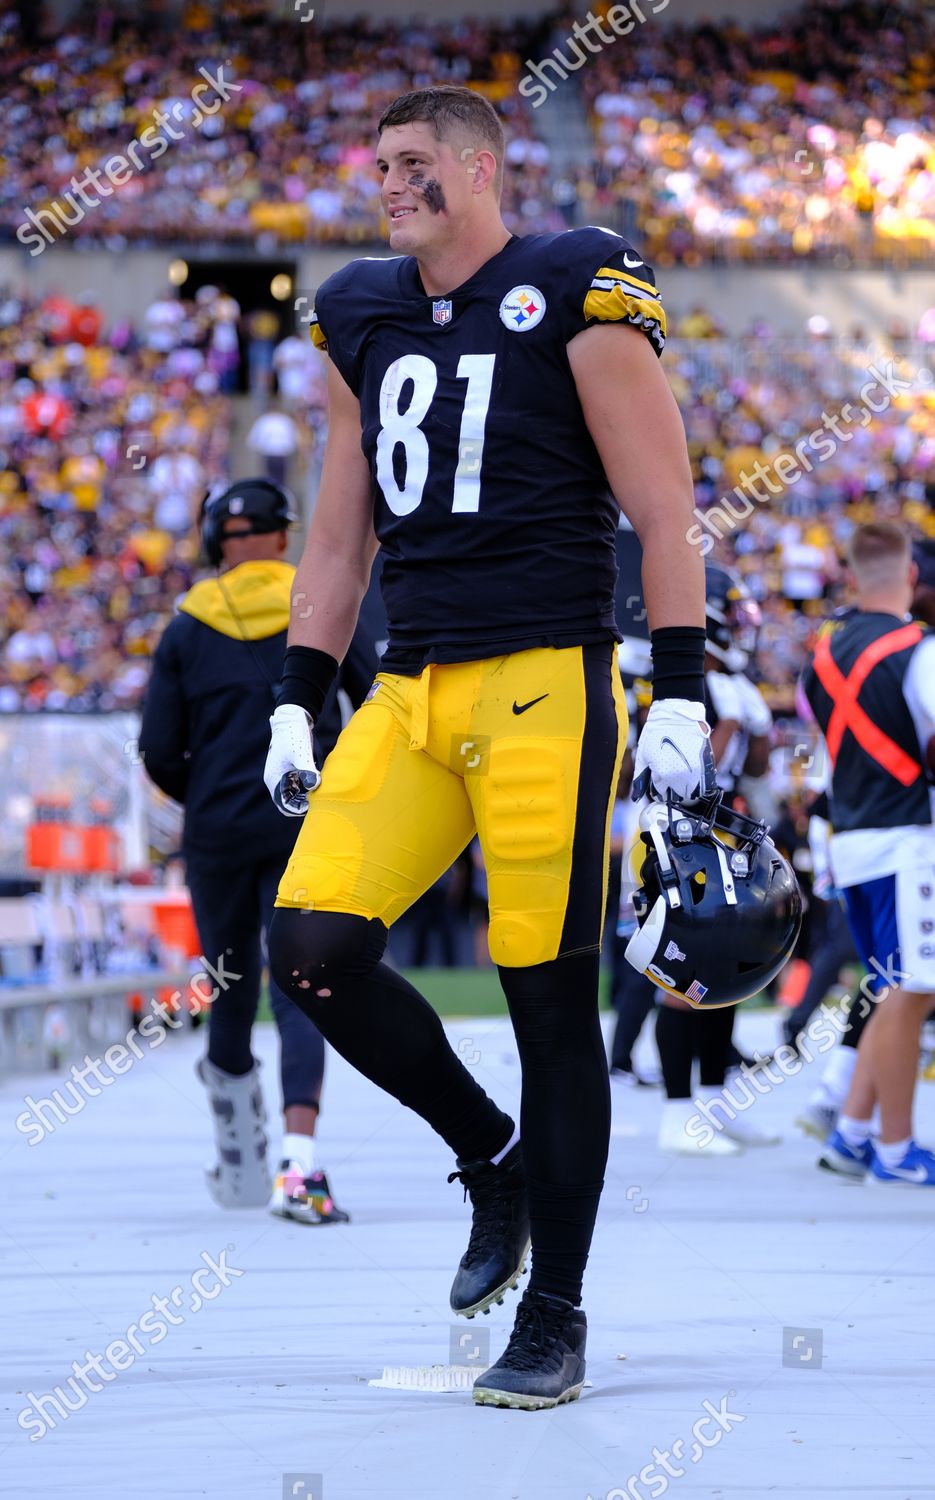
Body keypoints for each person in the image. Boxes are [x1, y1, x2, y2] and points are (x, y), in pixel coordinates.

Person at [261, 85, 714, 1410]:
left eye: (414, 163)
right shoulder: (359, 308)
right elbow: (337, 533)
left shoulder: (570, 281)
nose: (390, 184)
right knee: (314, 948)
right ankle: (487, 1158)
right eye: (379, 164)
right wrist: (300, 688)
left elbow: (664, 505)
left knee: (543, 1004)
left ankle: (557, 1313)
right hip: (410, 686)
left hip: (542, 683)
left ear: (479, 166)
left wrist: (677, 685)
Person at [138, 477, 376, 1224]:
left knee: (229, 981)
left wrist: (208, 793)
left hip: (216, 833)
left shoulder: (184, 629)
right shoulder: (321, 604)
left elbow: (156, 749)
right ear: (282, 537)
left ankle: (238, 1150)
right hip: (303, 820)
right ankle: (298, 1166)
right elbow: (376, 704)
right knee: (302, 984)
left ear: (216, 545)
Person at [801, 522, 935, 1186]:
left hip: (849, 839)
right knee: (911, 992)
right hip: (907, 838)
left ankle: (853, 1135)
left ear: (852, 574)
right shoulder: (919, 649)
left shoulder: (820, 654)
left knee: (888, 986)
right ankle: (896, 1151)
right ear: (910, 574)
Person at [654, 564, 780, 1155]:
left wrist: (759, 727)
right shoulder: (667, 679)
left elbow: (751, 770)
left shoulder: (730, 682)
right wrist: (729, 719)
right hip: (671, 843)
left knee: (725, 975)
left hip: (719, 842)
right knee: (680, 978)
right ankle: (677, 1114)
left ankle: (711, 1103)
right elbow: (682, 775)